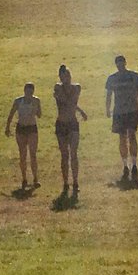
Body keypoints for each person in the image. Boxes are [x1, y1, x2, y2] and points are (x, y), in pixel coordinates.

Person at [105, 54, 138, 181]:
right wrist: (108, 108)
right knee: (122, 137)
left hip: (132, 110)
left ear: (125, 63)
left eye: (122, 63)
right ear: (116, 64)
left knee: (132, 135)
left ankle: (134, 164)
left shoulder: (134, 76)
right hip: (119, 111)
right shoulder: (112, 78)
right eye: (118, 63)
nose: (120, 65)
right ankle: (125, 165)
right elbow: (109, 95)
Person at [53, 65, 87, 194]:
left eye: (67, 75)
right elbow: (70, 101)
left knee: (74, 153)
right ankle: (66, 182)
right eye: (63, 75)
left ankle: (75, 181)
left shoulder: (76, 87)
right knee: (64, 155)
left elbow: (69, 101)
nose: (65, 78)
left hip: (72, 123)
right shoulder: (58, 87)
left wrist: (79, 110)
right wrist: (78, 109)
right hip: (61, 123)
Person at [5, 81, 42, 190]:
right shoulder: (18, 101)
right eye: (27, 91)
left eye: (31, 92)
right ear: (24, 91)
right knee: (22, 155)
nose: (29, 94)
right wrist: (7, 127)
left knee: (33, 154)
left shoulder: (36, 100)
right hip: (21, 129)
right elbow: (11, 114)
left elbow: (39, 115)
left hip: (31, 128)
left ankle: (35, 178)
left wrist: (36, 108)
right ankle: (24, 178)